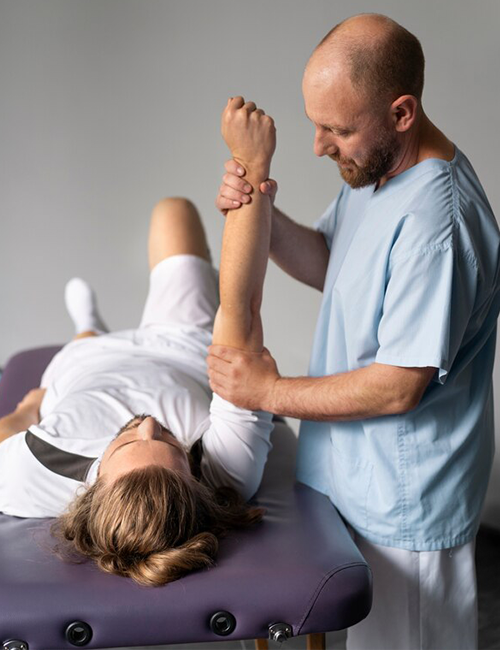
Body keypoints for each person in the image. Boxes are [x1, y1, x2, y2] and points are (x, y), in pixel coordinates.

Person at [209, 13, 500, 650]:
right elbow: (329, 262)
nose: (319, 146)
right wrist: (259, 204)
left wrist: (267, 392)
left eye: (338, 129)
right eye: (315, 124)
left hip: (407, 502)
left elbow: (399, 387)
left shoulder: (437, 225)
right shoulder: (376, 173)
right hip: (354, 476)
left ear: (402, 113)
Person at [0, 96, 277, 588]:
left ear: (88, 490)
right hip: (184, 344)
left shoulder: (30, 474)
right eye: (170, 442)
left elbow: (10, 431)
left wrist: (29, 408)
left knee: (85, 345)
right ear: (197, 483)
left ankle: (87, 326)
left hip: (85, 365)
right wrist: (252, 166)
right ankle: (92, 326)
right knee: (174, 211)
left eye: (127, 441)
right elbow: (240, 310)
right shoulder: (229, 471)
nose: (148, 423)